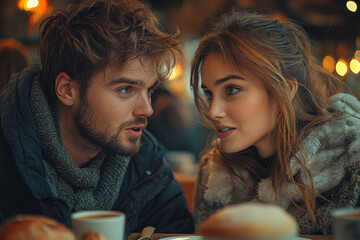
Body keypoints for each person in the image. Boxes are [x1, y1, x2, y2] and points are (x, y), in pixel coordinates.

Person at [0, 0, 194, 236]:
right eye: (126, 90)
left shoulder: (147, 167)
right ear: (67, 90)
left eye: (149, 91)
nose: (147, 109)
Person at [190, 11, 360, 235]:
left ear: (286, 90)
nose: (213, 111)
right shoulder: (217, 174)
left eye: (232, 90)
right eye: (209, 94)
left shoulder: (351, 161)